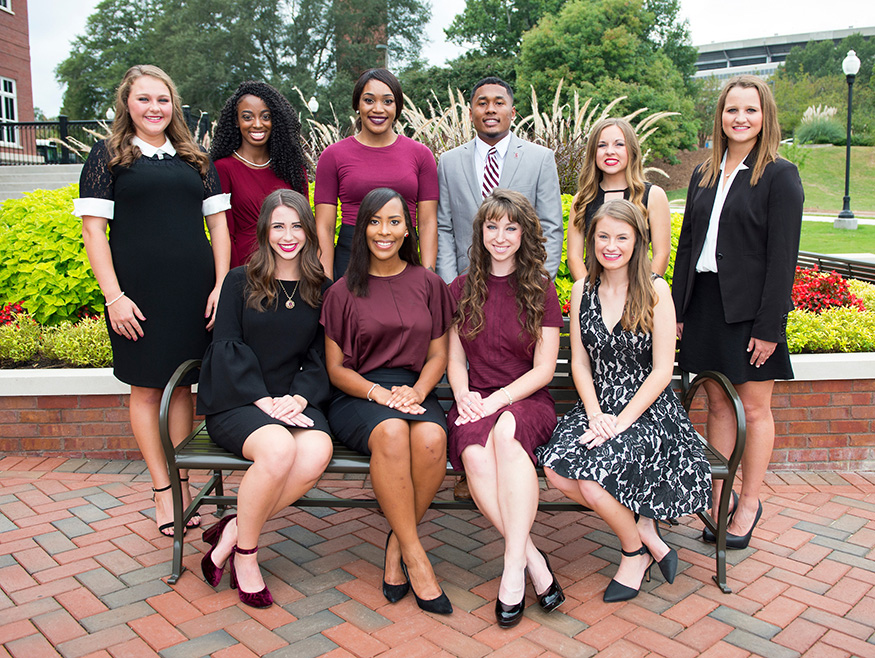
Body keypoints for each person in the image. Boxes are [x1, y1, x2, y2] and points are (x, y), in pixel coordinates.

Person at [74, 64, 231, 536]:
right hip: (137, 298)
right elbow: (93, 232)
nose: (154, 108)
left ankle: (183, 484)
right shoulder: (108, 158)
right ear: (127, 103)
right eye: (143, 99)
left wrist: (223, 285)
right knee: (146, 388)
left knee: (182, 387)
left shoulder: (197, 159)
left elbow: (219, 227)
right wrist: (114, 297)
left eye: (162, 99)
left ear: (173, 105)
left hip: (194, 294)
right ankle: (164, 492)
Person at [538, 200, 711, 603]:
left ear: (637, 242)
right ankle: (644, 531)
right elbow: (579, 362)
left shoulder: (655, 290)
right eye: (603, 237)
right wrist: (597, 413)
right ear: (592, 240)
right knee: (556, 471)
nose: (611, 246)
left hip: (648, 411)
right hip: (597, 407)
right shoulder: (583, 290)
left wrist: (621, 421)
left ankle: (633, 553)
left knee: (595, 484)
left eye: (621, 237)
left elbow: (662, 371)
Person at [672, 75, 804, 550]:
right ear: (720, 117)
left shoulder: (780, 175)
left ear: (765, 115)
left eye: (750, 110)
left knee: (754, 407)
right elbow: (687, 245)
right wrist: (679, 308)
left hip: (750, 314)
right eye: (732, 110)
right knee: (717, 403)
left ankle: (748, 504)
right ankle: (718, 498)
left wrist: (770, 326)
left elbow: (782, 257)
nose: (740, 118)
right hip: (705, 305)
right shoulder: (704, 172)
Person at [196, 189, 333, 608]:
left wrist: (297, 397)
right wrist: (262, 400)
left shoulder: (320, 287)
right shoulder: (240, 279)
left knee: (315, 451)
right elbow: (226, 346)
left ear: (308, 231)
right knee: (277, 448)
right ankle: (247, 556)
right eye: (278, 226)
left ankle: (234, 528)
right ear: (264, 231)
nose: (287, 235)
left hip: (292, 399)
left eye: (296, 226)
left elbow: (319, 358)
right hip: (238, 401)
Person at [321, 187, 454, 615]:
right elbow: (336, 369)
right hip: (359, 392)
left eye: (394, 221)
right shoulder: (342, 291)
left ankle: (397, 544)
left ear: (407, 228)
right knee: (393, 432)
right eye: (375, 221)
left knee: (433, 438)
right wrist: (379, 393)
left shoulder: (429, 284)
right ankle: (417, 559)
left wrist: (416, 391)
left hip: (414, 388)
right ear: (362, 230)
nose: (385, 231)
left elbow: (439, 355)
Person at [446, 189, 565, 627]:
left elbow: (545, 368)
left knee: (505, 434)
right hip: (475, 399)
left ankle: (512, 570)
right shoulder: (461, 287)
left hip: (525, 398)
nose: (500, 236)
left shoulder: (539, 288)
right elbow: (455, 357)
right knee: (475, 455)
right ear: (480, 232)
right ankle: (533, 560)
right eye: (492, 226)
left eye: (510, 227)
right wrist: (462, 394)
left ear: (523, 234)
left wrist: (500, 398)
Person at [436, 76, 563, 282]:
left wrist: (539, 281)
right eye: (482, 103)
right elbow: (443, 227)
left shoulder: (540, 159)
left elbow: (550, 226)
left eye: (499, 103)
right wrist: (451, 285)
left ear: (512, 113)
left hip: (523, 283)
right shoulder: (449, 162)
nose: (490, 109)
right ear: (470, 113)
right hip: (465, 282)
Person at [315, 69, 439, 279]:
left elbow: (428, 223)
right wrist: (326, 280)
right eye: (369, 100)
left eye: (388, 101)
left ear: (397, 107)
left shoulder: (421, 155)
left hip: (404, 256)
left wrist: (428, 276)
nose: (378, 109)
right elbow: (324, 227)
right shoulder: (333, 156)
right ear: (357, 105)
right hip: (350, 259)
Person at [211, 81, 309, 268]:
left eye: (266, 116)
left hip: (291, 269)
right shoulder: (222, 169)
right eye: (247, 117)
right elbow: (225, 233)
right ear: (236, 121)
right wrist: (228, 281)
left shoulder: (293, 168)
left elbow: (304, 226)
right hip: (246, 270)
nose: (257, 124)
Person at [566, 118, 671, 280]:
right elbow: (574, 257)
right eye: (602, 145)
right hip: (594, 293)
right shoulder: (582, 200)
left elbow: (661, 254)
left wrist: (641, 290)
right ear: (593, 152)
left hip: (638, 295)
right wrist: (591, 295)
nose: (610, 151)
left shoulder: (653, 196)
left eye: (619, 144)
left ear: (632, 150)